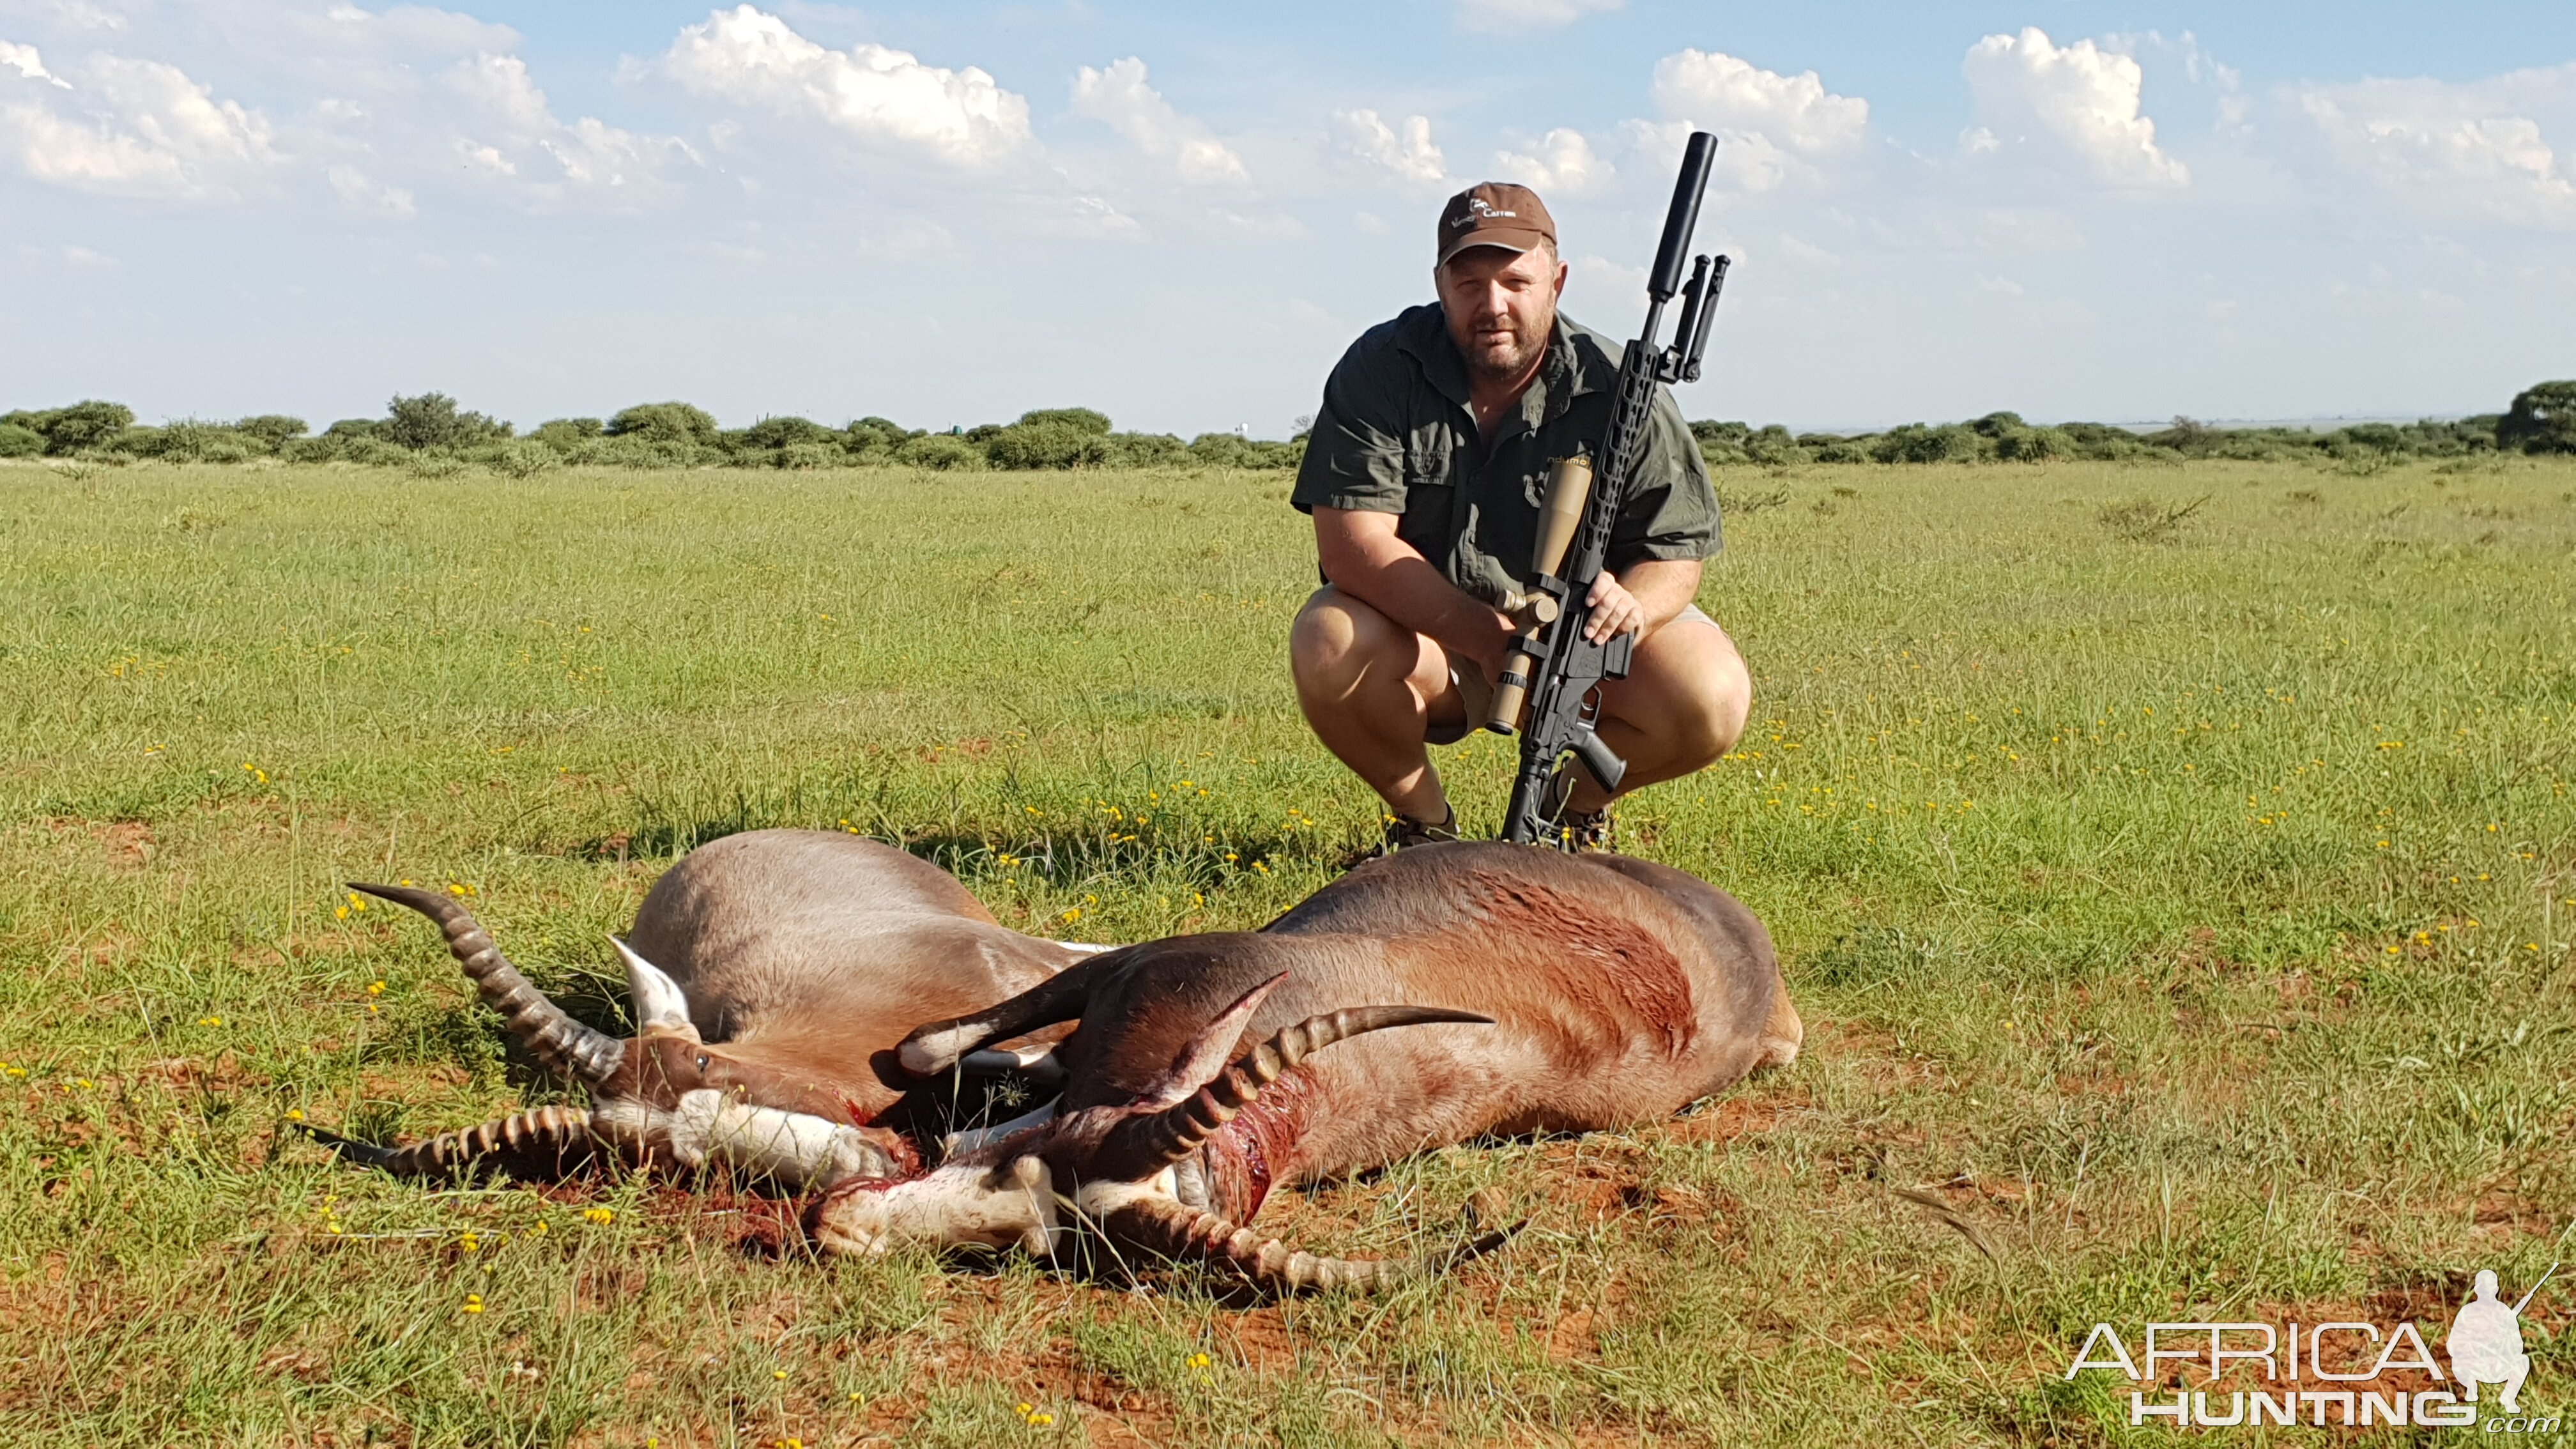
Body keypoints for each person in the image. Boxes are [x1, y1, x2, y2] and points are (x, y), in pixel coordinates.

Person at [1289, 181, 1751, 854]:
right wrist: (1487, 636)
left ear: (1557, 282)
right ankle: (1426, 831)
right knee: (1328, 640)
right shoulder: (1382, 366)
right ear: (1440, 284)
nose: (1493, 305)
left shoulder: (1620, 385)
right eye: (1469, 282)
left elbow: (1677, 553)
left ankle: (1571, 813)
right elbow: (1352, 547)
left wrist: (1631, 611)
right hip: (1435, 637)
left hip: (1580, 647)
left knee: (1712, 693)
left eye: (1515, 280)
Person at [2448, 1269, 2533, 1413]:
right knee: (2457, 1361)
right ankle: (2471, 1387)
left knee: (2523, 1361)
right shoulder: (2467, 1312)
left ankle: (2509, 1398)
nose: (2486, 1291)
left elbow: (2518, 1346)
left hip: (2497, 1366)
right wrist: (2474, 1345)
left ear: (2496, 1289)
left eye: (2489, 1287)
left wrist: (2503, 1343)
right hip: (2473, 1367)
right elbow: (2453, 1344)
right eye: (2483, 1287)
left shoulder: (2505, 1312)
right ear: (2476, 1289)